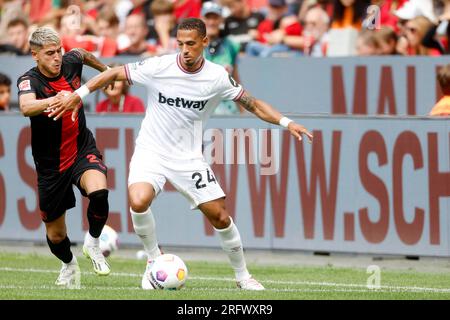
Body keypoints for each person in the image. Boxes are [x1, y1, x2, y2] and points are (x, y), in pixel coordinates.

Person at [49, 18, 314, 291]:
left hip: (187, 158)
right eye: (180, 44)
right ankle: (153, 261)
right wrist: (78, 95)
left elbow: (254, 104)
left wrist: (287, 123)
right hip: (151, 150)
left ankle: (243, 276)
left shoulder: (217, 76)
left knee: (220, 217)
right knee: (139, 200)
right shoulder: (159, 66)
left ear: (204, 42)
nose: (185, 49)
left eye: (190, 44)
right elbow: (113, 73)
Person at [17, 27, 112, 289]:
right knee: (56, 235)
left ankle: (93, 244)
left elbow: (81, 53)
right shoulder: (30, 80)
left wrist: (105, 70)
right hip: (51, 166)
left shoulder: (70, 63)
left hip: (82, 149)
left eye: (58, 50)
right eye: (50, 53)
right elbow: (26, 107)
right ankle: (68, 264)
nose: (57, 57)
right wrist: (55, 100)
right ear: (35, 55)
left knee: (100, 193)